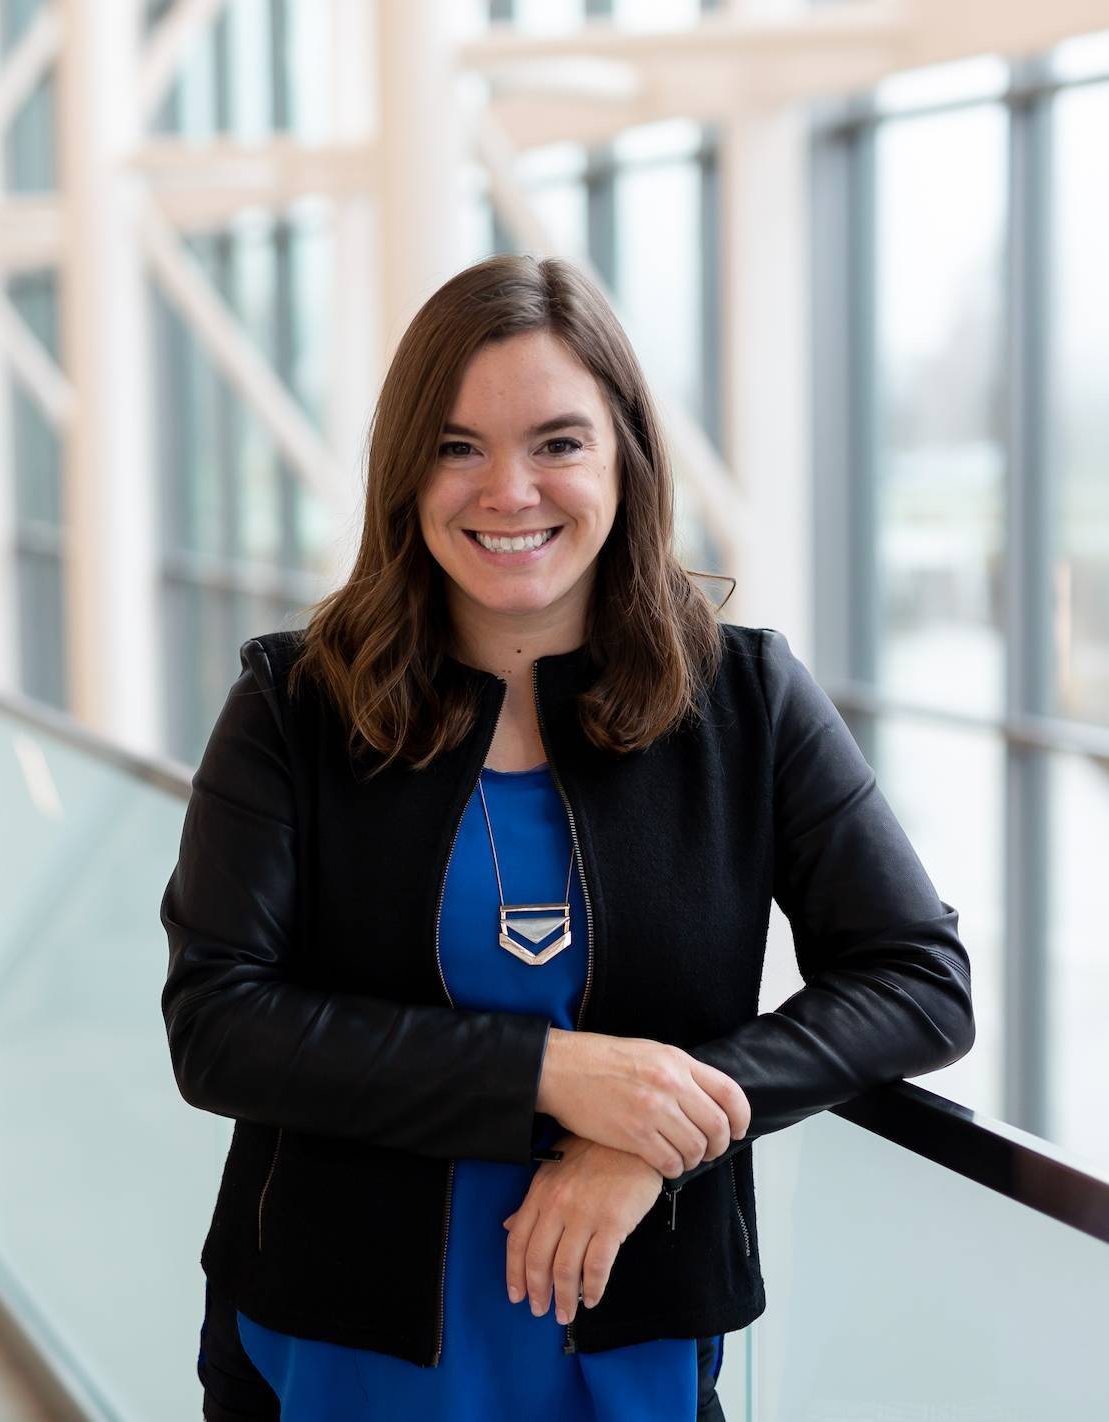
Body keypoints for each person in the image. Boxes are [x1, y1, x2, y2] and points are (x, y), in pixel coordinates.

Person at [160, 252, 976, 1422]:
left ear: (624, 460)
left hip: (634, 1338)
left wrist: (657, 1130)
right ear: (406, 472)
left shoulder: (746, 699)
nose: (509, 490)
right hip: (334, 1341)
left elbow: (921, 978)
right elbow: (219, 1026)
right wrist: (553, 1076)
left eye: (557, 442)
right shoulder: (294, 705)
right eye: (457, 447)